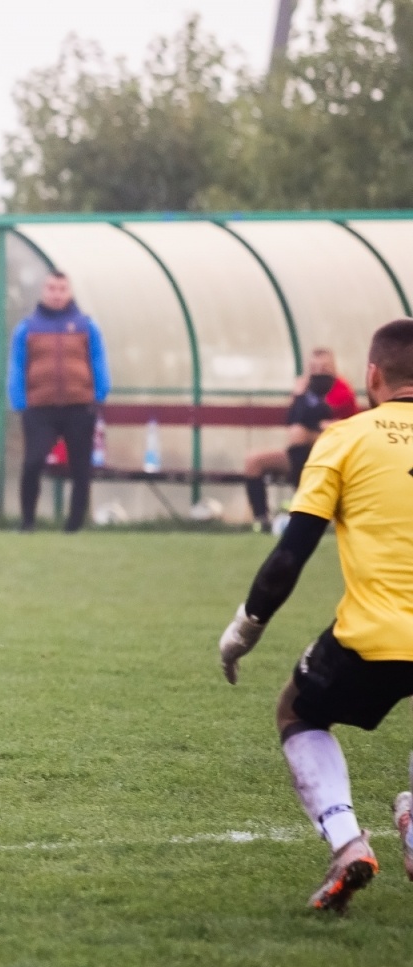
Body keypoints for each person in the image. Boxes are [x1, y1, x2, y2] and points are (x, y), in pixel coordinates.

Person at [219, 318, 413, 912]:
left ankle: (348, 843)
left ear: (372, 376)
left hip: (373, 637)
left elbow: (290, 555)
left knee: (297, 711)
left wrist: (244, 630)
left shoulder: (347, 438)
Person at [8, 271, 110, 532]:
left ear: (70, 292)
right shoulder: (27, 328)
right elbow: (17, 365)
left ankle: (73, 525)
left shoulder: (87, 326)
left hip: (79, 406)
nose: (56, 294)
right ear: (44, 292)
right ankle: (28, 521)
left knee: (80, 469)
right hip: (40, 408)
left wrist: (99, 394)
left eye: (62, 289)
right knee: (32, 463)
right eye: (52, 288)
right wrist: (19, 400)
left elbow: (98, 360)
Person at [243, 347, 358, 531]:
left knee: (299, 433)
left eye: (324, 367)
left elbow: (321, 415)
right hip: (302, 452)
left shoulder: (341, 389)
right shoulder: (304, 389)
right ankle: (262, 520)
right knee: (253, 460)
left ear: (333, 367)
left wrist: (303, 403)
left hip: (335, 453)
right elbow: (293, 419)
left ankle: (301, 500)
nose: (319, 372)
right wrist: (298, 396)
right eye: (314, 368)